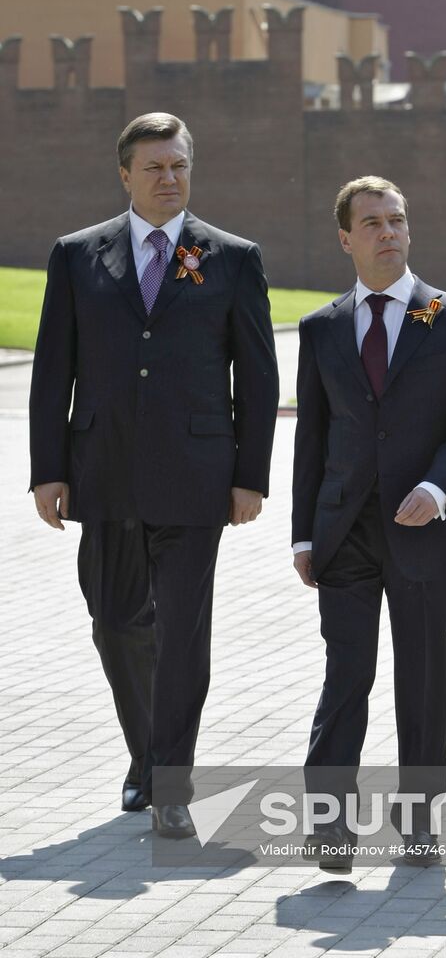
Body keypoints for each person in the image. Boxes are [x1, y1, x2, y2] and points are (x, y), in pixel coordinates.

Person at [29, 112, 279, 837]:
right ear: (125, 175)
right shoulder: (78, 256)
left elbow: (257, 378)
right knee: (114, 624)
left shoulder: (231, 258)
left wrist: (249, 477)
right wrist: (49, 470)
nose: (169, 179)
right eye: (154, 168)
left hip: (196, 476)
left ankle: (171, 780)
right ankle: (146, 755)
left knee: (181, 633)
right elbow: (53, 371)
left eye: (179, 166)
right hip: (101, 471)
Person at [291, 176, 446, 866]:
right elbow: (311, 439)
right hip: (343, 530)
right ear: (345, 238)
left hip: (421, 529)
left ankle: (418, 827)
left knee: (421, 676)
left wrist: (439, 488)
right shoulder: (320, 327)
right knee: (345, 674)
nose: (387, 232)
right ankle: (329, 826)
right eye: (371, 222)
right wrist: (303, 532)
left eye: (396, 220)